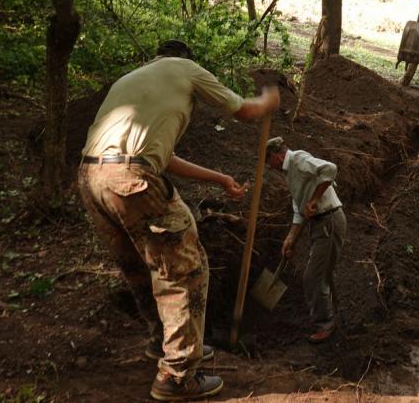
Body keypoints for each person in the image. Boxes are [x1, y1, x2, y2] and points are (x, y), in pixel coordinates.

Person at [77, 39, 280, 401]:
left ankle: (163, 342)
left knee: (140, 266)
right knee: (186, 269)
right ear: (185, 59)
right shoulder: (184, 69)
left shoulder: (134, 81)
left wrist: (219, 178)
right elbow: (245, 111)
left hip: (92, 179)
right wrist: (268, 99)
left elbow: (162, 158)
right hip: (132, 179)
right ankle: (178, 375)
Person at [265, 137, 345, 343]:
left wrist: (315, 199)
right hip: (320, 223)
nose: (268, 166)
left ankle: (325, 324)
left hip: (329, 220)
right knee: (323, 271)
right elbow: (299, 207)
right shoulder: (289, 172)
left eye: (268, 161)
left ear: (277, 155)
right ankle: (336, 314)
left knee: (313, 277)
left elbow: (330, 168)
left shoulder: (297, 160)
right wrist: (290, 238)